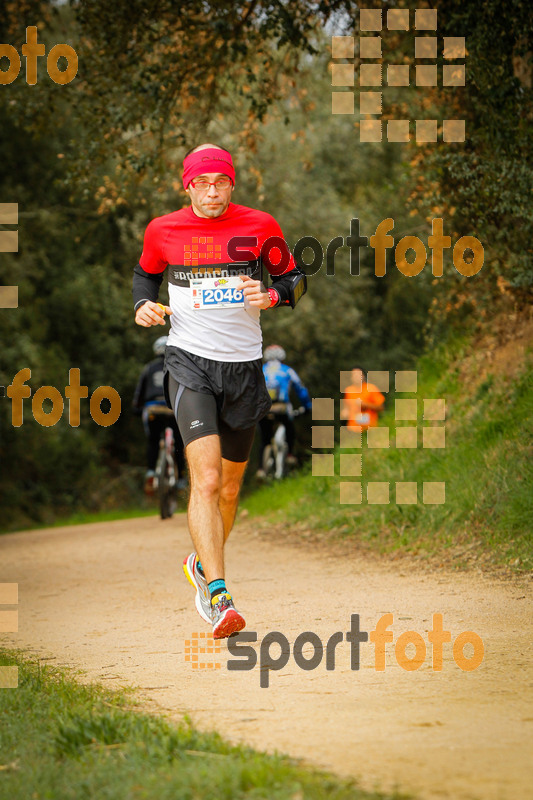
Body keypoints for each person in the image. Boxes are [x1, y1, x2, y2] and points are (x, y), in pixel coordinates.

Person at [132, 143, 307, 638]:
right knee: (205, 482)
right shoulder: (162, 230)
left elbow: (294, 277)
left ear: (232, 184)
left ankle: (201, 565)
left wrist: (273, 294)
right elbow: (145, 274)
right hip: (189, 364)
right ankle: (219, 595)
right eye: (202, 184)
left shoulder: (261, 226)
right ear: (187, 187)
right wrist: (143, 304)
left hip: (244, 370)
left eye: (221, 183)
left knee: (229, 489)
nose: (212, 191)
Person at [132, 336, 187, 494]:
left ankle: (150, 471)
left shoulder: (148, 368)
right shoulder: (178, 366)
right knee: (179, 443)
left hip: (153, 409)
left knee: (153, 440)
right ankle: (182, 479)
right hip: (173, 409)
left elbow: (139, 393)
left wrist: (136, 408)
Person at [257, 344, 311, 477]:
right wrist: (307, 405)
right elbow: (301, 388)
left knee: (265, 439)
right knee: (289, 427)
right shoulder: (287, 370)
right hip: (281, 408)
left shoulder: (260, 370)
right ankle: (290, 454)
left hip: (263, 410)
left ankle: (260, 469)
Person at [341, 367, 385, 432]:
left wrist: (365, 405)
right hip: (353, 430)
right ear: (351, 377)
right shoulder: (348, 390)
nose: (356, 377)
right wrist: (344, 412)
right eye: (354, 375)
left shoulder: (371, 388)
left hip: (370, 429)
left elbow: (381, 407)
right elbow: (346, 408)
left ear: (363, 376)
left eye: (358, 374)